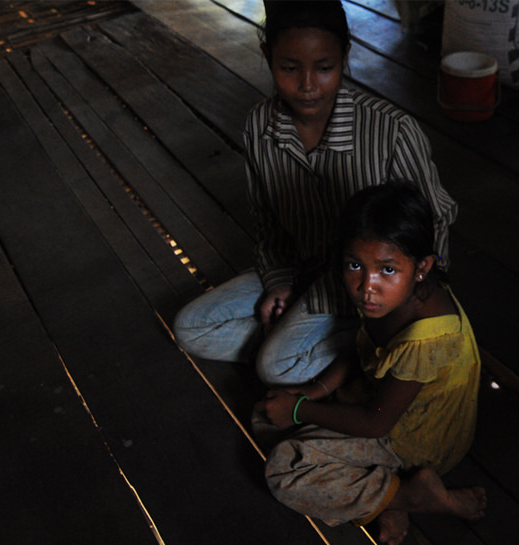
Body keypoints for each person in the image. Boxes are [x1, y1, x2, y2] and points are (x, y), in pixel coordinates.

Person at [172, 0, 457, 386]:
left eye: (324, 68)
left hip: (369, 287)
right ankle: (300, 345)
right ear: (267, 56)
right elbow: (266, 221)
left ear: (345, 57)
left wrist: (405, 305)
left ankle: (362, 345)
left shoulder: (391, 131)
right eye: (289, 68)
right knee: (190, 328)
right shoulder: (260, 127)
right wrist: (278, 282)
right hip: (302, 270)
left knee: (272, 367)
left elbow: (435, 219)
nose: (307, 85)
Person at [254, 182, 485, 545]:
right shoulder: (394, 297)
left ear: (422, 267)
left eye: (387, 269)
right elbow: (363, 349)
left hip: (414, 443)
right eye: (354, 265)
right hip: (381, 404)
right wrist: (315, 391)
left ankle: (408, 494)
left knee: (285, 470)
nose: (366, 286)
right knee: (264, 416)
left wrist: (301, 409)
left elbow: (376, 422)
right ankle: (389, 492)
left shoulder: (425, 339)